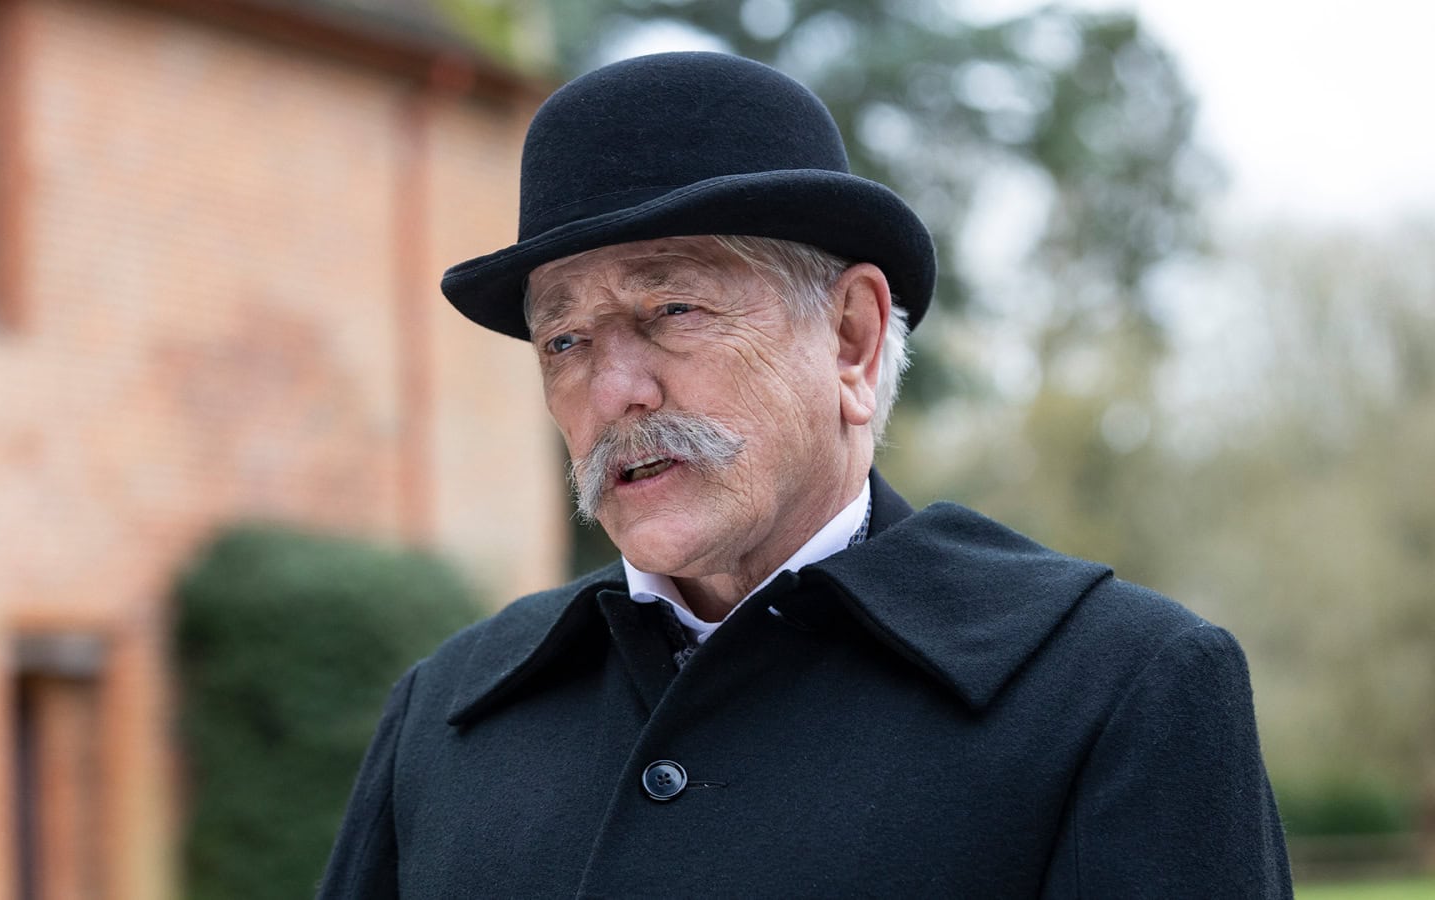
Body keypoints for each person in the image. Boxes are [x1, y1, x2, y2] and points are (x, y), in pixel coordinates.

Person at [317, 51, 1292, 898]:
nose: (614, 393)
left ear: (851, 339)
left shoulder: (1114, 688)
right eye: (564, 340)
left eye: (674, 310)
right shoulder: (441, 714)